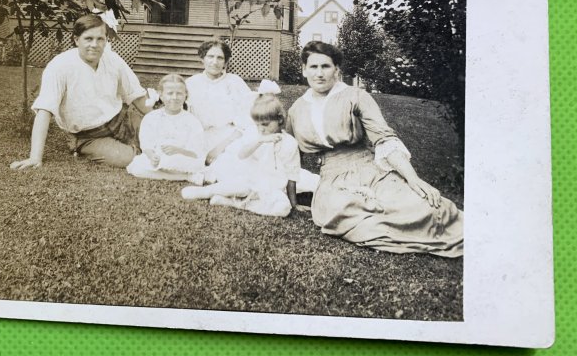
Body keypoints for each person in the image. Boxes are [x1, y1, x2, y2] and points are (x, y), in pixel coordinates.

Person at [286, 41, 463, 257]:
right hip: (333, 181)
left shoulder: (356, 96)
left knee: (428, 209)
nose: (319, 73)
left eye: (326, 66)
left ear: (337, 70)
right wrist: (292, 201)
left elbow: (384, 138)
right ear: (304, 70)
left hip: (369, 170)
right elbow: (289, 156)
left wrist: (413, 179)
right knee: (343, 209)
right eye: (313, 67)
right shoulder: (297, 110)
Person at [10, 14, 150, 170]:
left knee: (164, 136)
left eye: (100, 39)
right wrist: (35, 157)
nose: (95, 45)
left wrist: (165, 120)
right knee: (129, 159)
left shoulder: (113, 59)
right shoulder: (60, 66)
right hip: (89, 136)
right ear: (76, 40)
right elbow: (45, 110)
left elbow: (137, 96)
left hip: (123, 119)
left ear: (106, 40)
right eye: (88, 39)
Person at [180, 81, 303, 218]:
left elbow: (292, 176)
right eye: (257, 125)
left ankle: (234, 203)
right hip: (250, 180)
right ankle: (205, 192)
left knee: (283, 209)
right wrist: (260, 141)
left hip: (271, 188)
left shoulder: (290, 143)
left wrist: (293, 204)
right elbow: (242, 154)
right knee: (237, 186)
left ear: (280, 120)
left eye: (265, 124)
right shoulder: (255, 135)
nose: (261, 129)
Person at [185, 40, 255, 169]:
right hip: (201, 137)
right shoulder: (191, 83)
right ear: (202, 59)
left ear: (225, 62)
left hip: (231, 136)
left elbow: (248, 116)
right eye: (210, 56)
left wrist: (221, 147)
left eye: (220, 58)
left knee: (237, 162)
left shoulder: (235, 82)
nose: (215, 62)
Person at [126, 74, 205, 183]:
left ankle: (173, 173)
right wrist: (152, 156)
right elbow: (146, 145)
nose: (174, 97)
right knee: (137, 167)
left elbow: (196, 152)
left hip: (181, 158)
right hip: (158, 158)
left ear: (185, 95)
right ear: (161, 95)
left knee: (188, 163)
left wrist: (178, 151)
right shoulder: (151, 118)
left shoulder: (192, 121)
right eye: (170, 93)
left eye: (179, 94)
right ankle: (186, 177)